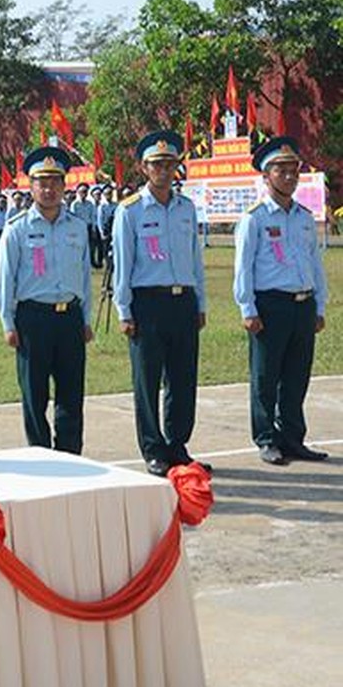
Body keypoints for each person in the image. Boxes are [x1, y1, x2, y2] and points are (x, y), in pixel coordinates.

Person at [112, 130, 208, 477]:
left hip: (183, 302)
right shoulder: (131, 211)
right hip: (147, 304)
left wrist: (201, 302)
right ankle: (153, 448)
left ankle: (178, 445)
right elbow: (123, 263)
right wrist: (124, 310)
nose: (164, 170)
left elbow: (195, 259)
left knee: (183, 378)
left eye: (169, 164)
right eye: (157, 164)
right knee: (148, 380)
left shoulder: (186, 208)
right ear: (144, 167)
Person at [234, 137, 329, 465]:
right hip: (270, 306)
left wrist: (319, 305)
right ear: (266, 176)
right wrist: (247, 308)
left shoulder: (303, 216)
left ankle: (292, 438)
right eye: (281, 171)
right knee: (265, 376)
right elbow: (243, 268)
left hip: (302, 304)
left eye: (294, 171)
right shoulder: (255, 218)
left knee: (296, 376)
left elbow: (315, 263)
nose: (289, 177)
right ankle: (266, 438)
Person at [0, 148, 93, 454]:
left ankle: (70, 453)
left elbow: (85, 276)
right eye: (42, 182)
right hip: (33, 319)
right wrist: (8, 323)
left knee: (71, 392)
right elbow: (5, 280)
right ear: (31, 186)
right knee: (34, 393)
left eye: (55, 182)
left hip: (69, 317)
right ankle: (40, 453)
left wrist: (86, 319)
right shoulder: (17, 229)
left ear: (64, 185)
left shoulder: (77, 227)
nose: (49, 189)